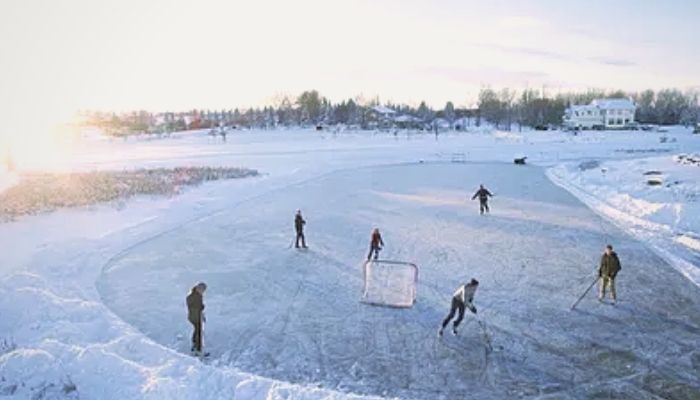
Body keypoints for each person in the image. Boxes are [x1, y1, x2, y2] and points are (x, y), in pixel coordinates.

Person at [186, 282, 207, 356]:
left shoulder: (198, 295)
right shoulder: (192, 296)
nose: (203, 291)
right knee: (198, 331)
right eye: (202, 289)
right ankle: (196, 348)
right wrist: (200, 307)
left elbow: (199, 306)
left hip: (197, 316)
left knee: (198, 331)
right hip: (194, 316)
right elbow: (192, 305)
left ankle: (197, 348)